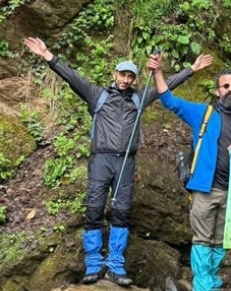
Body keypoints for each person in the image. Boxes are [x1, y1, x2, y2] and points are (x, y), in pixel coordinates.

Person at [22, 37, 211, 286]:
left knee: (121, 211)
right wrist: (48, 55)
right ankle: (93, 264)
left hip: (126, 162)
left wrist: (191, 70)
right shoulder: (97, 95)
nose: (126, 80)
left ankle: (115, 265)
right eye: (122, 75)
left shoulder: (138, 98)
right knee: (94, 209)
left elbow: (165, 87)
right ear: (115, 74)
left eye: (130, 77)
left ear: (134, 79)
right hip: (101, 159)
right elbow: (72, 77)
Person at [154, 64, 231, 291]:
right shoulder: (204, 113)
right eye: (226, 86)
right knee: (202, 238)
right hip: (204, 189)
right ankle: (202, 283)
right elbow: (169, 100)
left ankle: (211, 278)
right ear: (217, 91)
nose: (230, 89)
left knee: (221, 239)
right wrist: (157, 73)